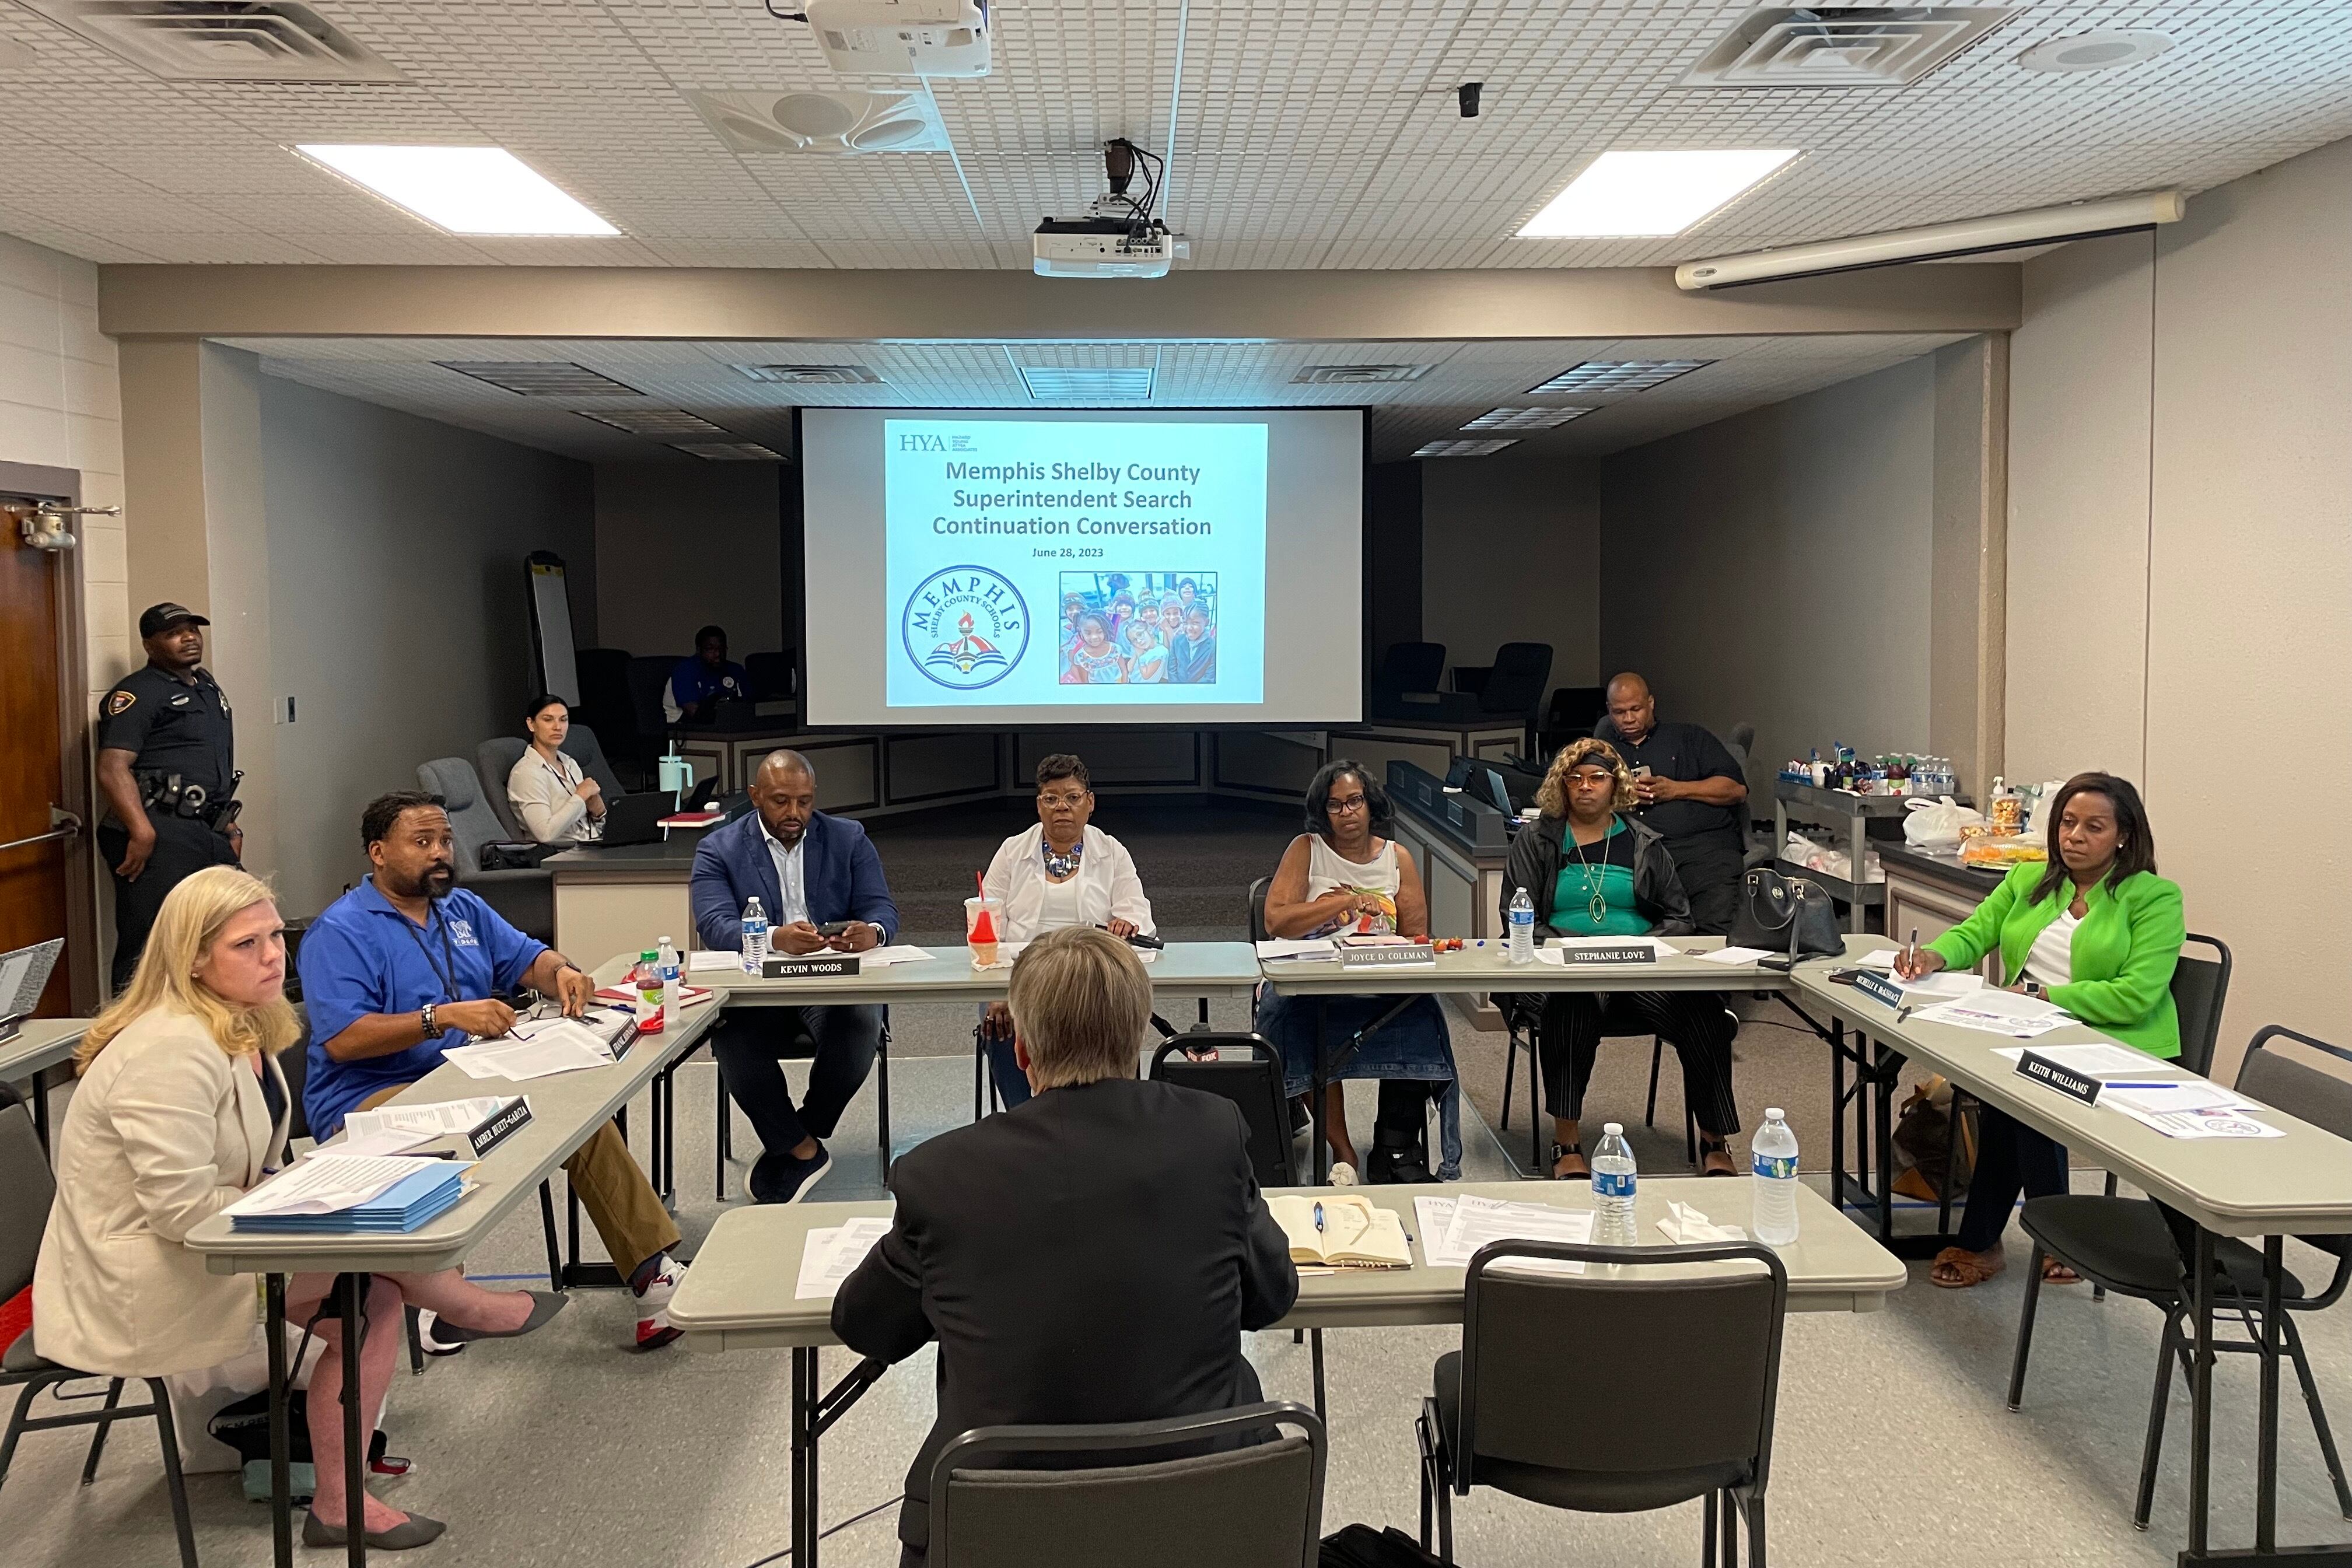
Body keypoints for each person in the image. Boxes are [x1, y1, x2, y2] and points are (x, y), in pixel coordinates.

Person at [34, 867, 563, 1550]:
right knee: (364, 1294)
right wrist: (296, 1199)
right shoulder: (166, 1051)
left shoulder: (233, 1025)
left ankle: (460, 1318)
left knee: (371, 1264)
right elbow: (180, 1211)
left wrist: (312, 1185)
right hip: (148, 1272)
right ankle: (359, 1477)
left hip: (208, 1239)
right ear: (191, 959)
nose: (272, 957)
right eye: (245, 946)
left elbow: (245, 1166)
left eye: (274, 939)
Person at [835, 928, 1298, 1568]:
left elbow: (865, 1326)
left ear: (1021, 1050)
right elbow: (1272, 1298)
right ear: (1138, 1036)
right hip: (1203, 1517)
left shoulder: (940, 1176)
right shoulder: (1213, 1134)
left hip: (1002, 1528)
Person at [298, 793, 688, 1349]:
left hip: (471, 1075)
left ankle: (653, 1278)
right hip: (369, 1098)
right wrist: (442, 1017)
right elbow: (342, 1040)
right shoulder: (341, 932)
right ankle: (442, 1297)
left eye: (445, 841)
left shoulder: (461, 907)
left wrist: (562, 972)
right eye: (423, 842)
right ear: (378, 853)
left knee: (575, 1118)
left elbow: (527, 957)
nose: (440, 854)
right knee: (459, 1134)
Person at [1895, 772, 2183, 1289]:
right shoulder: (2030, 880)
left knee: (2021, 1096)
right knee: (2013, 1090)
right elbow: (1976, 933)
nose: (2074, 836)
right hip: (2028, 1030)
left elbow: (2136, 993)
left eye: (2093, 827)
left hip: (2114, 1042)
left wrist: (2040, 996)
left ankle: (1999, 1239)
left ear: (2124, 835)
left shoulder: (2154, 898)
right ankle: (2043, 1236)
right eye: (2068, 823)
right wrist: (1935, 954)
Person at [1502, 738, 1741, 1178]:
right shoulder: (1537, 841)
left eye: (1597, 778)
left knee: (1704, 1008)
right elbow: (1517, 920)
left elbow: (1679, 916)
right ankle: (1567, 1142)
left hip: (1636, 969)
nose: (1585, 787)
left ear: (1616, 786)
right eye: (1575, 779)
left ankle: (1714, 1138)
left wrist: (1641, 949)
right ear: (1562, 786)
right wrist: (1571, 950)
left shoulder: (1643, 842)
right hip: (1563, 973)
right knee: (1571, 1006)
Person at [690, 750, 898, 1203]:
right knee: (730, 1035)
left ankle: (802, 1131)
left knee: (861, 1022)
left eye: (804, 802)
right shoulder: (717, 849)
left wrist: (872, 934)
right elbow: (714, 925)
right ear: (755, 796)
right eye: (781, 801)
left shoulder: (848, 837)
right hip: (761, 985)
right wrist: (772, 938)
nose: (794, 814)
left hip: (829, 979)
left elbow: (883, 910)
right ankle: (798, 1148)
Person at [1257, 761, 1460, 1183]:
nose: (1347, 812)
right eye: (1335, 805)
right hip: (1314, 980)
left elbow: (1416, 935)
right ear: (1323, 811)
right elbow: (1277, 922)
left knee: (1421, 1014)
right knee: (1302, 1025)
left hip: (1379, 977)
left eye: (1355, 802)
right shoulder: (1306, 849)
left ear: (1370, 805)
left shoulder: (1397, 857)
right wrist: (1341, 902)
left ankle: (1396, 1146)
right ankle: (1343, 1153)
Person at [977, 755, 1155, 1108]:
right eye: (1051, 799)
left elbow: (1138, 915)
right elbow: (986, 926)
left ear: (1090, 803)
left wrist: (1125, 925)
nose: (1062, 807)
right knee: (1000, 1019)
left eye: (1073, 798)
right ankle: (1025, 1122)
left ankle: (1112, 1120)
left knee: (1114, 1012)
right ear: (1039, 805)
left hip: (1093, 974)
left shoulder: (1112, 851)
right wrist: (1002, 991)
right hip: (1022, 976)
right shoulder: (1012, 852)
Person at [94, 602, 244, 988]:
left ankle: (208, 1031)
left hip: (206, 828)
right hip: (158, 828)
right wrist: (141, 832)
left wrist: (226, 823)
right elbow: (113, 767)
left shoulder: (206, 686)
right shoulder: (137, 693)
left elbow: (210, 761)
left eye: (193, 629)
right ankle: (129, 1037)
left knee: (225, 927)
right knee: (150, 941)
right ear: (149, 644)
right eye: (175, 632)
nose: (190, 637)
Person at [1591, 672, 1749, 936]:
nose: (1629, 719)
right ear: (1609, 711)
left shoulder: (1689, 738)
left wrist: (1676, 789)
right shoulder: (1600, 753)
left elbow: (1736, 790)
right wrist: (1619, 795)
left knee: (1715, 933)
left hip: (1703, 853)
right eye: (1619, 712)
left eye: (1636, 709)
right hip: (1634, 857)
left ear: (1651, 703)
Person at [506, 692, 606, 844]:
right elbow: (545, 834)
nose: (558, 727)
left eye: (563, 720)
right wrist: (580, 797)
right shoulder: (527, 773)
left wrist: (599, 814)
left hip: (592, 844)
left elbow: (588, 827)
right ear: (531, 724)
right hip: (561, 855)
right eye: (548, 720)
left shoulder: (569, 763)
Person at [664, 624, 749, 723]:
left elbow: (750, 705)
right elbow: (693, 712)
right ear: (699, 650)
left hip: (731, 726)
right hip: (686, 729)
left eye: (721, 648)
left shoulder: (735, 669)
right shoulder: (686, 669)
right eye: (710, 649)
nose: (717, 654)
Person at [1063, 611, 1123, 684]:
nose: (1094, 637)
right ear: (1081, 632)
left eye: (1099, 632)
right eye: (1088, 633)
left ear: (1105, 630)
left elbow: (1124, 671)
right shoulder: (1080, 657)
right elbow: (1085, 681)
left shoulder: (1115, 649)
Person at [1168, 604, 1217, 684]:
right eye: (1185, 623)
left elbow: (1209, 677)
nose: (1189, 628)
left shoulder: (1213, 647)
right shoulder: (1177, 641)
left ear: (1206, 622)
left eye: (1195, 623)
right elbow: (1172, 670)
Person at [1123, 616, 1168, 682]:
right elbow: (1130, 669)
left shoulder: (1160, 651)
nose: (1139, 641)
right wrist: (1136, 654)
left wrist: (1140, 657)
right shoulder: (1141, 650)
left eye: (1140, 634)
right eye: (1134, 640)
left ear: (1149, 630)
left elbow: (1146, 675)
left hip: (1147, 689)